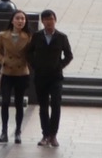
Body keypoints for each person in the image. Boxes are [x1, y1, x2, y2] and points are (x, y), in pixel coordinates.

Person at [26, 9, 72, 147]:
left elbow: (69, 55)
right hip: (40, 76)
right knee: (43, 106)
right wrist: (35, 66)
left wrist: (60, 66)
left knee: (56, 105)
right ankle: (45, 135)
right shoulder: (37, 36)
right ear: (42, 21)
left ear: (55, 20)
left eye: (51, 19)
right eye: (46, 19)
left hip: (56, 77)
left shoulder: (61, 37)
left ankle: (53, 135)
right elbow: (29, 52)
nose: (48, 22)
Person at [0, 10, 33, 144]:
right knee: (5, 102)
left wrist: (28, 61)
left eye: (23, 19)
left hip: (22, 73)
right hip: (7, 73)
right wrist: (3, 60)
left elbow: (32, 53)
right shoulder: (3, 35)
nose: (20, 21)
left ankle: (18, 131)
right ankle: (4, 131)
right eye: (18, 18)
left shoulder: (28, 36)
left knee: (19, 103)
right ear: (12, 20)